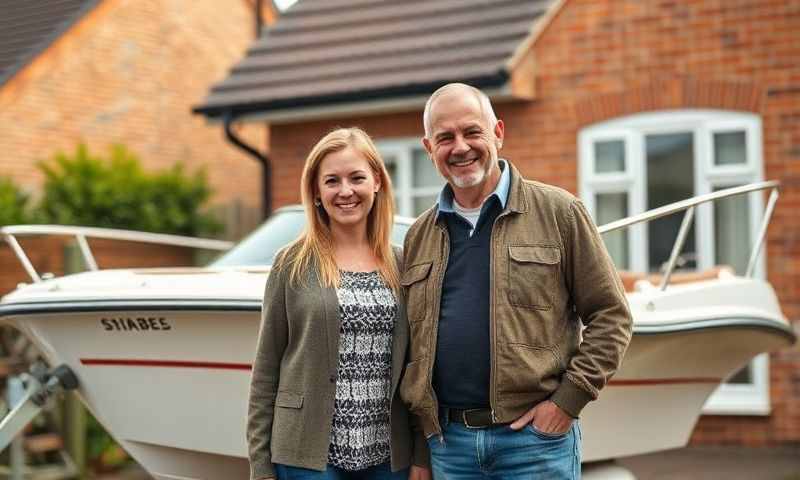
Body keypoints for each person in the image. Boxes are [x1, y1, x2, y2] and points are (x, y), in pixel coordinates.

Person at [399, 83, 633, 479]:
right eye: (445, 138)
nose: (460, 147)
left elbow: (612, 316)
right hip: (450, 446)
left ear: (498, 134)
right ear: (428, 148)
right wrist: (423, 447)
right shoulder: (420, 235)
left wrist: (567, 402)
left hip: (534, 444)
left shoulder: (560, 212)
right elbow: (415, 353)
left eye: (472, 132)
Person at [248, 128, 430, 480]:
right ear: (316, 190)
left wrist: (421, 451)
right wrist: (260, 467)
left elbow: (419, 369)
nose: (345, 191)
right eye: (332, 180)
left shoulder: (404, 264)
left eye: (356, 178)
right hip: (307, 458)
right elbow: (266, 370)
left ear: (376, 182)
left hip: (389, 457)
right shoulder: (291, 264)